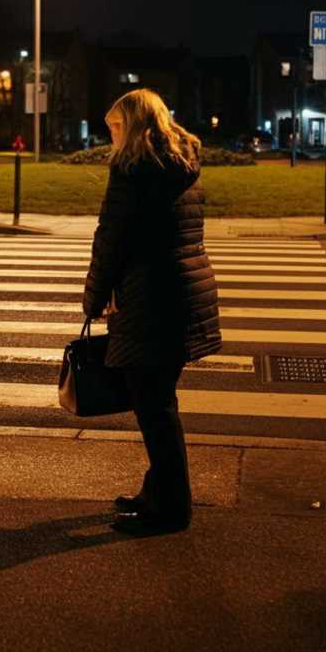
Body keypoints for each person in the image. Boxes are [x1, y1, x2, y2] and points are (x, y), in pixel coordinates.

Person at [82, 88, 222, 537]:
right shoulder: (182, 164)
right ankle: (156, 493)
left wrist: (93, 297)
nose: (111, 137)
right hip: (182, 290)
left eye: (115, 128)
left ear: (131, 126)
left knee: (154, 408)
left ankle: (172, 509)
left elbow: (111, 239)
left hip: (149, 296)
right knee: (159, 401)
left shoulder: (132, 170)